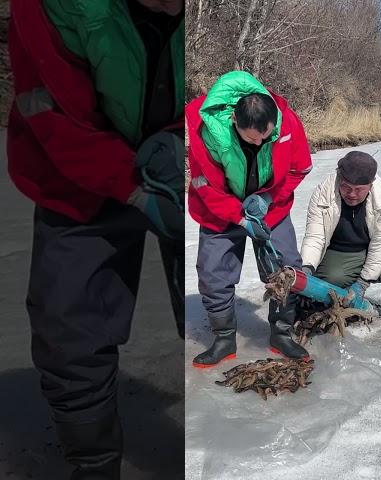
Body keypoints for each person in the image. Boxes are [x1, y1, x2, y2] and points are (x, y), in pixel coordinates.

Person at [7, 0, 185, 477]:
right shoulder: (49, 7)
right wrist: (131, 189)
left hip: (175, 164)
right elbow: (47, 110)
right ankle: (94, 463)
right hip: (74, 172)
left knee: (205, 299)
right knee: (68, 331)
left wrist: (177, 150)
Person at [187, 70, 313, 367]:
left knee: (285, 267)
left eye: (265, 137)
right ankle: (223, 339)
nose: (258, 144)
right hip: (220, 209)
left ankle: (281, 334)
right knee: (213, 272)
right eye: (250, 138)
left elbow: (299, 168)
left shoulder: (286, 121)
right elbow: (205, 184)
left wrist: (268, 198)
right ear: (234, 122)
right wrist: (239, 218)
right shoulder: (206, 130)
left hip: (271, 205)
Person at [300, 151, 381, 332]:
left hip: (376, 247)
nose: (352, 194)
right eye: (346, 187)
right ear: (340, 177)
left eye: (359, 189)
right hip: (341, 252)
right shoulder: (323, 192)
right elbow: (315, 237)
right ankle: (338, 307)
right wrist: (307, 267)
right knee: (330, 279)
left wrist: (362, 283)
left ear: (370, 186)